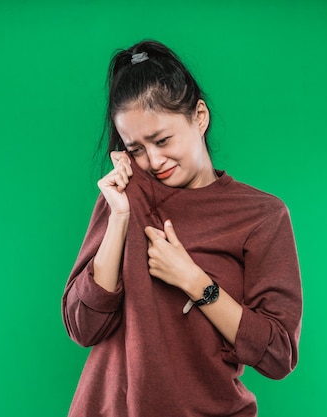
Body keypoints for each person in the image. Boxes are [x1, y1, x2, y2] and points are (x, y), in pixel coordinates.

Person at [61, 40, 302, 417]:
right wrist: (119, 218)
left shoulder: (261, 216)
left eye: (162, 140)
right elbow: (83, 327)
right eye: (136, 148)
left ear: (199, 116)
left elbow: (278, 355)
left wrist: (195, 282)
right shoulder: (124, 193)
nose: (153, 160)